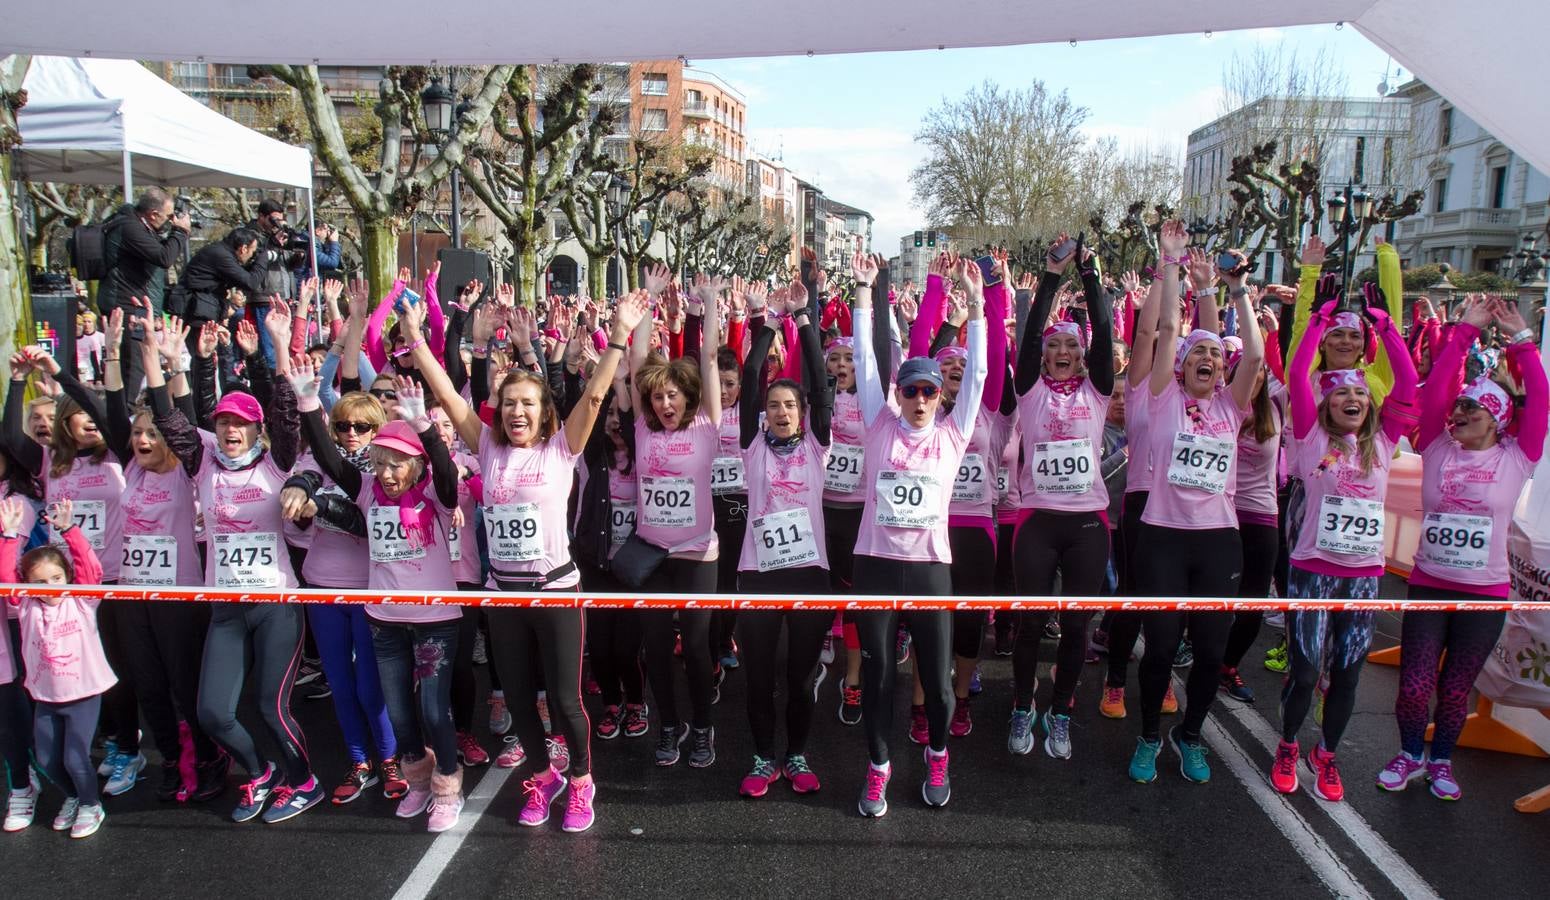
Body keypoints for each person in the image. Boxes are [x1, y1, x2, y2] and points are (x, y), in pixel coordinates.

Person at [409, 286, 646, 833]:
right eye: (510, 402)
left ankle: (582, 782)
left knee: (565, 701)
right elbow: (447, 395)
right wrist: (418, 342)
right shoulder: (487, 446)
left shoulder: (562, 448)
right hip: (504, 595)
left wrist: (615, 339)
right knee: (519, 702)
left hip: (556, 591)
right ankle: (542, 776)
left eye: (528, 404)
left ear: (543, 415)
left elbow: (592, 399)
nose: (517, 411)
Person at [150, 304, 321, 824]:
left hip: (276, 604)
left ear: (255, 430)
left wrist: (274, 347)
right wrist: (159, 362)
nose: (230, 429)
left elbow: (286, 412)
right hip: (226, 606)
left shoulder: (276, 460)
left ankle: (304, 781)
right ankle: (259, 771)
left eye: (242, 423)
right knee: (213, 713)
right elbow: (168, 419)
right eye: (223, 420)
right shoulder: (202, 461)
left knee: (271, 705)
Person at [1380, 295, 1544, 800]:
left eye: (1473, 406)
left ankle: (1442, 762)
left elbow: (1539, 398)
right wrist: (1464, 331)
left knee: (1455, 689)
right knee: (1414, 683)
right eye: (1460, 405)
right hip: (1430, 584)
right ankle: (1410, 754)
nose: (1460, 412)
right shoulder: (1435, 444)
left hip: (1485, 592)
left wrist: (1523, 342)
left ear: (1495, 417)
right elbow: (1434, 397)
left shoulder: (1520, 455)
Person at [850, 252, 986, 817]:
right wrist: (864, 295)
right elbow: (864, 362)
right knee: (880, 676)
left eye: (931, 392)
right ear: (899, 395)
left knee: (938, 680)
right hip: (877, 563)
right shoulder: (880, 423)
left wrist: (978, 308)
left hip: (930, 566)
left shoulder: (953, 436)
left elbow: (976, 375)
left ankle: (936, 754)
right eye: (913, 392)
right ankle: (878, 767)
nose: (922, 400)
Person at [1128, 224, 1263, 786]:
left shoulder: (1232, 408)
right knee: (1160, 649)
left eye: (1214, 354)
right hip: (1162, 534)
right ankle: (1148, 737)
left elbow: (1252, 354)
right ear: (1180, 366)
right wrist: (1171, 264)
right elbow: (1164, 328)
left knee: (1210, 652)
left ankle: (1191, 737)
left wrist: (1236, 291)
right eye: (1197, 353)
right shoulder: (1161, 400)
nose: (1207, 358)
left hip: (1216, 541)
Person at [1271, 289, 1418, 803]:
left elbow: (1409, 387)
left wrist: (1386, 326)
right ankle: (1288, 744)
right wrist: (1317, 322)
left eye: (1358, 396)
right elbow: (1295, 377)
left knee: (1348, 673)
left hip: (1363, 577)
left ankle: (1326, 754)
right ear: (1326, 403)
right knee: (1307, 668)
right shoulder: (1309, 437)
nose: (1351, 400)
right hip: (1312, 570)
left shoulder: (1384, 442)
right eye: (1340, 396)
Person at [1009, 234, 1113, 760]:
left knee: (1076, 624)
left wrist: (1091, 275)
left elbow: (1106, 335)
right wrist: (1051, 275)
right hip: (1038, 521)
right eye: (1056, 346)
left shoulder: (1098, 389)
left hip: (1087, 523)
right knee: (1030, 621)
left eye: (1072, 346)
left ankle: (1063, 709)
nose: (1064, 353)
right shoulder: (1029, 388)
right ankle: (1023, 705)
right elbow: (1028, 338)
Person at [733, 282, 834, 798]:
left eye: (789, 405)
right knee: (758, 678)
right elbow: (751, 377)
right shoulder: (752, 446)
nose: (780, 411)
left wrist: (807, 320)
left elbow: (820, 386)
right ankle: (761, 757)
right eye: (773, 405)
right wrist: (768, 324)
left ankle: (795, 755)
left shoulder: (818, 444)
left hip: (809, 572)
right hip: (758, 572)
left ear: (802, 412)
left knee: (799, 677)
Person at [625, 266, 725, 770]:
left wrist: (708, 303)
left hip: (696, 553)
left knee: (700, 647)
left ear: (687, 398)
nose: (664, 403)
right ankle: (670, 724)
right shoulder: (645, 430)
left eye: (672, 396)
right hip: (652, 553)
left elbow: (708, 356)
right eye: (657, 396)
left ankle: (704, 726)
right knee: (657, 647)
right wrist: (649, 302)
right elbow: (639, 361)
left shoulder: (707, 425)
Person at [0, 497, 110, 838]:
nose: (51, 588)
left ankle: (92, 805)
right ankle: (76, 797)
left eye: (57, 578)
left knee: (76, 759)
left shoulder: (82, 599)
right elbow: (7, 579)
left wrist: (68, 529)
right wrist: (10, 537)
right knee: (48, 761)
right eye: (40, 582)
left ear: (67, 576)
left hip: (83, 694)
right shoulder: (27, 606)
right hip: (47, 697)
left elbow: (90, 568)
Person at [99, 188, 192, 393]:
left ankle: (133, 409)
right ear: (153, 214)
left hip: (138, 307)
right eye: (168, 216)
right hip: (128, 309)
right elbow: (164, 258)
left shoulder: (139, 227)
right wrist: (180, 232)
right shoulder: (130, 228)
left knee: (140, 364)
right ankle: (130, 414)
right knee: (135, 367)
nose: (170, 221)